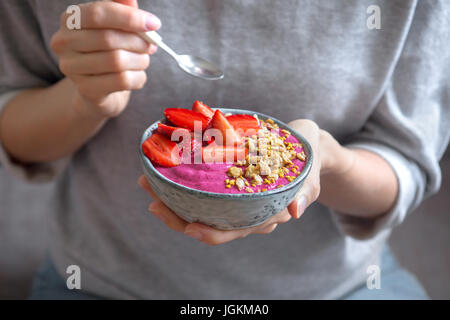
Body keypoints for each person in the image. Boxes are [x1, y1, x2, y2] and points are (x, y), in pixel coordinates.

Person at [0, 0, 448, 299]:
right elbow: (15, 126)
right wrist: (84, 100)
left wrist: (326, 163)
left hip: (334, 287)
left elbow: (405, 163)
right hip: (102, 281)